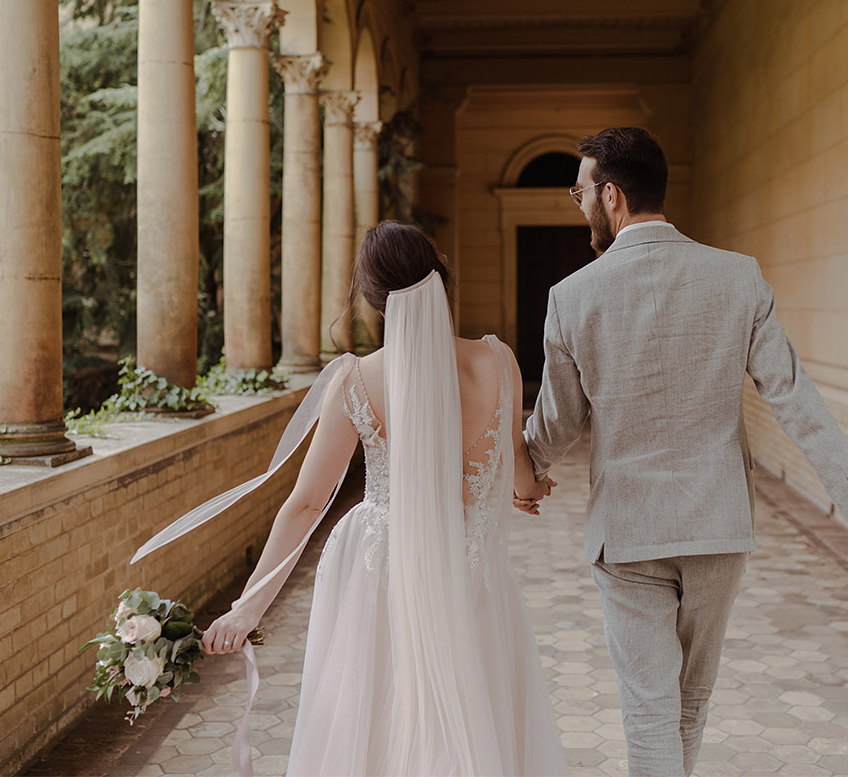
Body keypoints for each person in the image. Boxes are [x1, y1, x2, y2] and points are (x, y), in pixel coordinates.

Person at [516, 127, 848, 777]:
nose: (579, 207)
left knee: (650, 715)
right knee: (687, 705)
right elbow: (795, 399)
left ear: (611, 196)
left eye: (581, 193)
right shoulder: (737, 277)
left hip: (627, 536)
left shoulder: (571, 297)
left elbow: (555, 425)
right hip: (717, 530)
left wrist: (525, 475)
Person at [167, 222, 566, 775]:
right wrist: (531, 489)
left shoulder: (356, 380)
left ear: (371, 298)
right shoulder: (498, 361)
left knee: (371, 724)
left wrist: (248, 606)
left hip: (378, 574)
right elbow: (517, 465)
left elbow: (308, 504)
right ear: (440, 281)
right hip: (471, 570)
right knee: (478, 707)